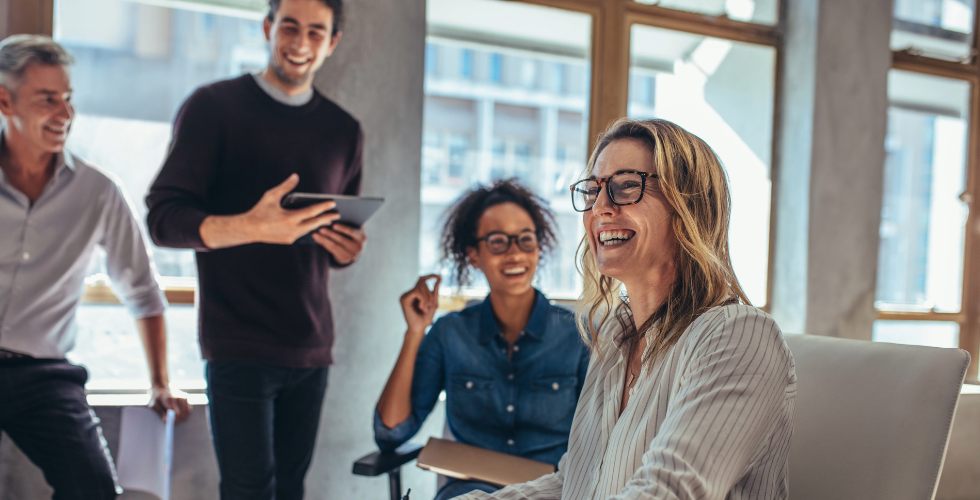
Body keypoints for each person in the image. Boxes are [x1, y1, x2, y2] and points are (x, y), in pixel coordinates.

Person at [453, 118, 797, 500]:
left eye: (626, 186)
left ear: (688, 205)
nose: (600, 208)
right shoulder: (614, 338)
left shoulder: (739, 336)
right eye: (593, 190)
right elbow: (574, 483)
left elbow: (667, 493)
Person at [145, 0, 363, 498]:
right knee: (248, 490)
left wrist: (346, 248)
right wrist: (250, 226)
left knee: (290, 489)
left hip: (311, 345)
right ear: (268, 28)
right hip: (237, 343)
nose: (300, 42)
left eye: (315, 31)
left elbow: (333, 241)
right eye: (289, 26)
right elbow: (163, 220)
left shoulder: (344, 130)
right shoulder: (213, 107)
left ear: (332, 43)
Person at [0, 35, 190, 499]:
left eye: (68, 99)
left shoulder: (99, 193)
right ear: (4, 101)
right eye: (48, 100)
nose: (65, 113)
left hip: (43, 374)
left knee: (95, 490)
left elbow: (142, 291)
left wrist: (160, 383)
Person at [375, 180, 590, 500]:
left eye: (525, 240)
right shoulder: (450, 334)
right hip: (468, 491)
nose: (515, 252)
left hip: (551, 492)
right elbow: (391, 432)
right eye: (498, 241)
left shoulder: (578, 336)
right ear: (473, 255)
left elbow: (601, 440)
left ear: (538, 248)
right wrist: (415, 332)